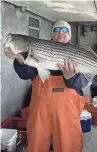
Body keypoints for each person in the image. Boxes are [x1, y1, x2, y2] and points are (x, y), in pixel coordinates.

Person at [12, 20, 89, 152]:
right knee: (36, 145)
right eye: (57, 30)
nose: (61, 33)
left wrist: (72, 78)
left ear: (69, 35)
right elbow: (26, 73)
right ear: (52, 35)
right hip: (40, 115)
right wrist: (19, 60)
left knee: (68, 146)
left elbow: (84, 82)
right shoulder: (39, 51)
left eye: (65, 30)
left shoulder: (78, 55)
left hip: (67, 115)